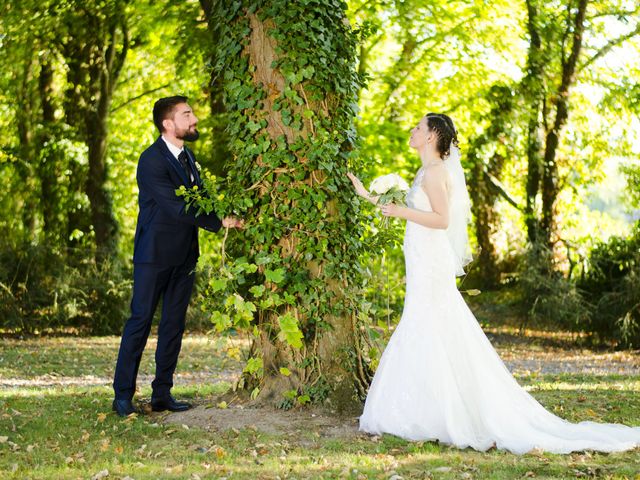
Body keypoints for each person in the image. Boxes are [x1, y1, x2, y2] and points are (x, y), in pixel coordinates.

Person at [347, 113, 640, 454]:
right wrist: (368, 194)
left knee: (426, 322)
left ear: (432, 137)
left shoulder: (437, 172)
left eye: (418, 128)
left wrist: (401, 213)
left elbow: (441, 220)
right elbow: (408, 209)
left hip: (431, 261)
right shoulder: (425, 171)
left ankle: (432, 412)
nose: (412, 131)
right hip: (421, 257)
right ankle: (427, 409)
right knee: (428, 324)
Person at [112, 96, 243, 417]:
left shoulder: (189, 158)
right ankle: (123, 396)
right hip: (153, 256)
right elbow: (176, 206)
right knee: (139, 323)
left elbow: (201, 198)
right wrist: (219, 222)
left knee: (173, 325)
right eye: (187, 114)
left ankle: (162, 394)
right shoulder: (151, 160)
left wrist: (229, 211)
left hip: (185, 257)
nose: (194, 118)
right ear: (167, 124)